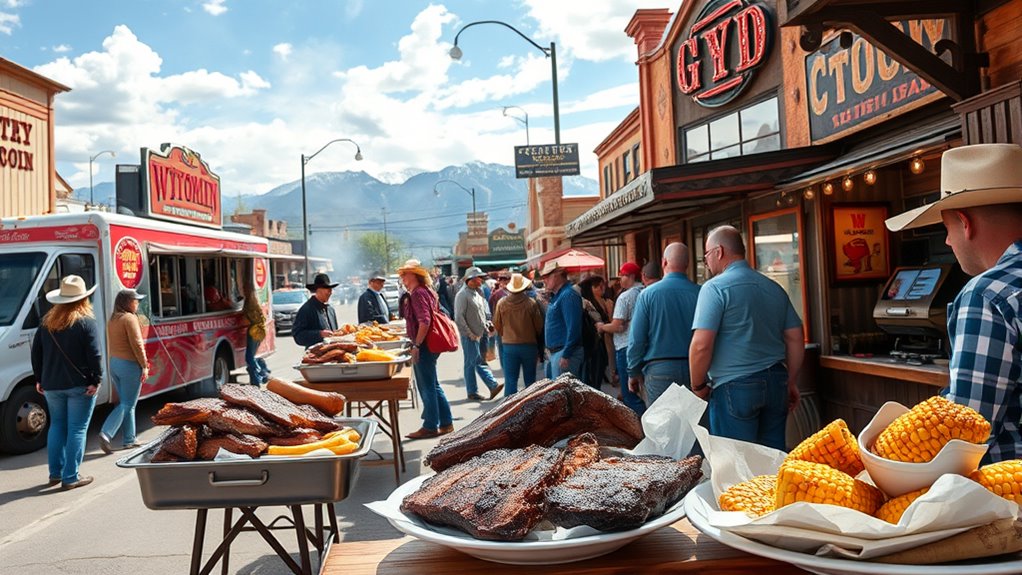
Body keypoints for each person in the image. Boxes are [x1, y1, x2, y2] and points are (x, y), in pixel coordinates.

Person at [885, 143, 1022, 464]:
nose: (947, 241)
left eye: (946, 229)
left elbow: (967, 433)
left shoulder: (986, 296)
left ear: (965, 222)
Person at [689, 227, 803, 450]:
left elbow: (701, 345)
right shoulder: (774, 288)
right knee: (771, 460)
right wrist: (790, 381)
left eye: (706, 256)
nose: (707, 262)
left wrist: (698, 385)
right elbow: (796, 338)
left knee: (736, 464)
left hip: (734, 385)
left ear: (719, 251)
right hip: (776, 382)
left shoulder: (714, 288)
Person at [30, 275, 102, 490]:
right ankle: (71, 477)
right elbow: (94, 355)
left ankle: (55, 473)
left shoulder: (46, 324)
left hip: (51, 385)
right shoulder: (86, 322)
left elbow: (36, 354)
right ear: (83, 299)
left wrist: (39, 378)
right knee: (77, 429)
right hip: (79, 385)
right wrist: (96, 379)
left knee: (57, 426)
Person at [627, 245, 701, 406]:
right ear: (687, 264)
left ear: (664, 262)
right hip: (695, 368)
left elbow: (636, 340)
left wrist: (633, 371)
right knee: (695, 425)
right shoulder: (701, 293)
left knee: (662, 427)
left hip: (659, 369)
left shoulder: (647, 295)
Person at [397, 259, 455, 439]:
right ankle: (446, 423)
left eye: (405, 274)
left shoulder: (418, 293)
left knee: (427, 385)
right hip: (429, 344)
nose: (402, 277)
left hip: (424, 345)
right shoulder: (426, 291)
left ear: (414, 275)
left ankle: (430, 425)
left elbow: (424, 321)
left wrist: (416, 345)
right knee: (433, 384)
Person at [99, 289, 149, 454]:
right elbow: (137, 344)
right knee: (128, 403)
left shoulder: (113, 319)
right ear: (127, 302)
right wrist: (144, 365)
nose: (137, 303)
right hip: (129, 365)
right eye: (135, 300)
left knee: (127, 403)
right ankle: (106, 433)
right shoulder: (129, 318)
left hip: (115, 363)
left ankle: (130, 439)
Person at [597, 262, 647, 415]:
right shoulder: (646, 292)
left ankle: (642, 428)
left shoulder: (625, 297)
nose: (620, 280)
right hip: (645, 347)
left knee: (629, 394)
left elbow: (618, 326)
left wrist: (601, 326)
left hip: (626, 348)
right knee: (643, 391)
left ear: (631, 276)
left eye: (623, 276)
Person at [454, 267, 503, 401]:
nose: (481, 280)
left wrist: (489, 323)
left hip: (482, 333)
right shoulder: (462, 295)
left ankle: (472, 392)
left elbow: (485, 310)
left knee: (471, 363)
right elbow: (459, 318)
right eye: (478, 278)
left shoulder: (478, 293)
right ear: (471, 279)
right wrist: (469, 334)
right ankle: (492, 384)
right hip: (471, 335)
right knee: (476, 361)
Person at [492, 273, 544, 396]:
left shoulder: (502, 303)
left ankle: (509, 411)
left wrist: (506, 335)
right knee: (530, 381)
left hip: (509, 346)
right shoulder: (531, 303)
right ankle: (532, 409)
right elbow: (539, 326)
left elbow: (497, 325)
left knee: (510, 381)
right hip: (529, 346)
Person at [540, 261, 584, 379]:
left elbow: (574, 327)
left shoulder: (568, 295)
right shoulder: (559, 295)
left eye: (547, 276)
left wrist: (566, 354)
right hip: (556, 352)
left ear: (557, 275)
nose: (545, 280)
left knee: (564, 394)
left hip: (564, 352)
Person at [579, 276, 611, 390]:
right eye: (599, 286)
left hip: (590, 344)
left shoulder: (588, 302)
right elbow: (599, 320)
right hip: (594, 343)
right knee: (594, 375)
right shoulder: (587, 303)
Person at [292, 273, 340, 348]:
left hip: (333, 353)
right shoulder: (306, 309)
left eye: (331, 289)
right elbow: (298, 336)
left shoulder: (331, 310)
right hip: (315, 355)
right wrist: (319, 334)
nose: (330, 292)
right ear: (318, 290)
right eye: (328, 289)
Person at [242, 285, 270, 386]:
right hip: (259, 331)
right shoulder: (255, 302)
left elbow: (246, 318)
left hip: (254, 331)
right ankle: (262, 373)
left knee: (249, 357)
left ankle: (261, 374)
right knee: (253, 355)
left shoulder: (249, 304)